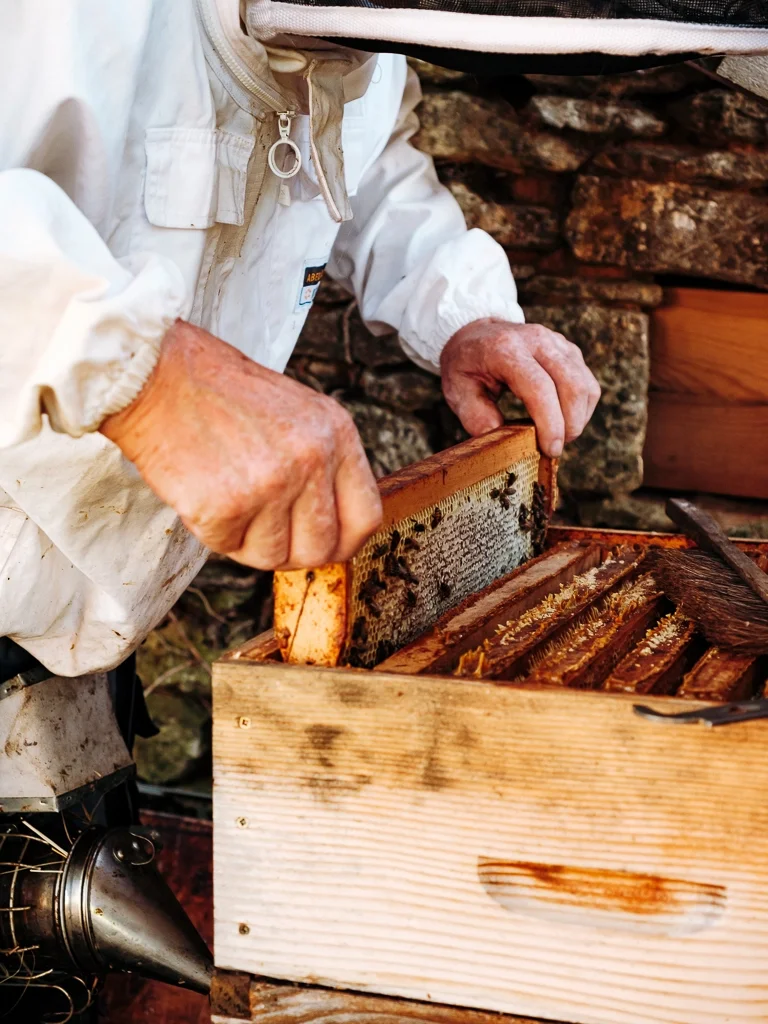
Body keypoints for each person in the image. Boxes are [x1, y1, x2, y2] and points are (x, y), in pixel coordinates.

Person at [0, 1, 600, 683]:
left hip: (72, 642)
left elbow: (359, 149)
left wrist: (460, 309)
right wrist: (143, 376)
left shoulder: (361, 35)